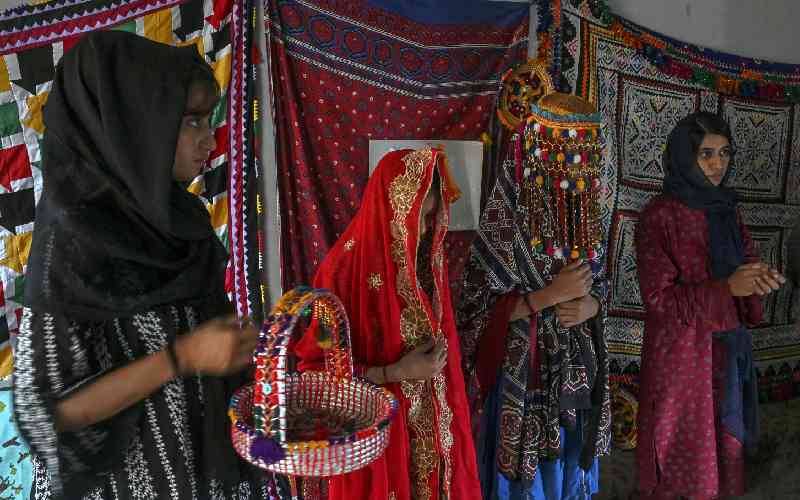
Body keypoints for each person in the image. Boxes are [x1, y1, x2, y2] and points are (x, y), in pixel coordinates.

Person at [13, 31, 267, 499]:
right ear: (133, 124)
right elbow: (43, 411)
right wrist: (181, 358)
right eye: (191, 121)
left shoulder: (180, 223)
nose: (210, 138)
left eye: (207, 119)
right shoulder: (74, 241)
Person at [292, 147, 481, 500]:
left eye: (431, 218)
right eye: (417, 217)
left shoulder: (426, 268)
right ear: (392, 209)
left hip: (434, 448)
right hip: (380, 450)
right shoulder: (338, 275)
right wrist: (394, 372)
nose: (425, 230)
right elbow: (314, 376)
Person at [457, 93, 612, 500]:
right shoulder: (507, 215)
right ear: (537, 149)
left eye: (582, 151)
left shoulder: (588, 213)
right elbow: (473, 312)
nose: (572, 165)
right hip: (520, 381)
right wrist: (548, 296)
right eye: (561, 150)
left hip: (574, 376)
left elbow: (604, 286)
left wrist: (591, 305)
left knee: (569, 479)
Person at [635, 112, 785, 499]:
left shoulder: (726, 208)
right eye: (706, 155)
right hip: (682, 357)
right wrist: (727, 288)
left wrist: (756, 280)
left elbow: (744, 264)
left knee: (724, 445)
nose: (719, 164)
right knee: (683, 450)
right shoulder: (659, 216)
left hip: (726, 349)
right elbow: (658, 299)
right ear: (685, 157)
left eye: (724, 153)